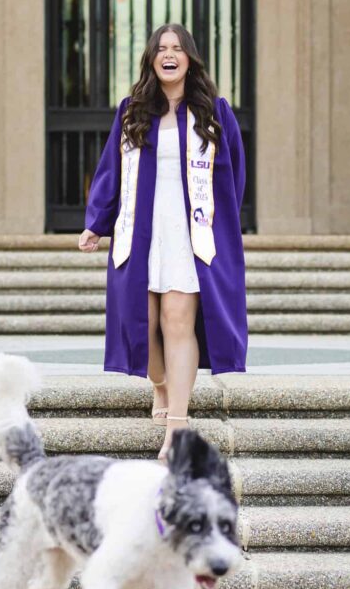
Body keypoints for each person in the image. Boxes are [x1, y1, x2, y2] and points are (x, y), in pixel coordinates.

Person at [78, 23, 247, 461]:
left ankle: (178, 425)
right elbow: (110, 170)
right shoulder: (133, 111)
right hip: (142, 230)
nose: (169, 54)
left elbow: (233, 175)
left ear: (190, 57)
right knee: (143, 323)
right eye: (161, 48)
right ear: (152, 59)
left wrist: (223, 228)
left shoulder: (214, 112)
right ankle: (160, 385)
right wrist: (97, 222)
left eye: (177, 48)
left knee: (178, 321)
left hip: (189, 233)